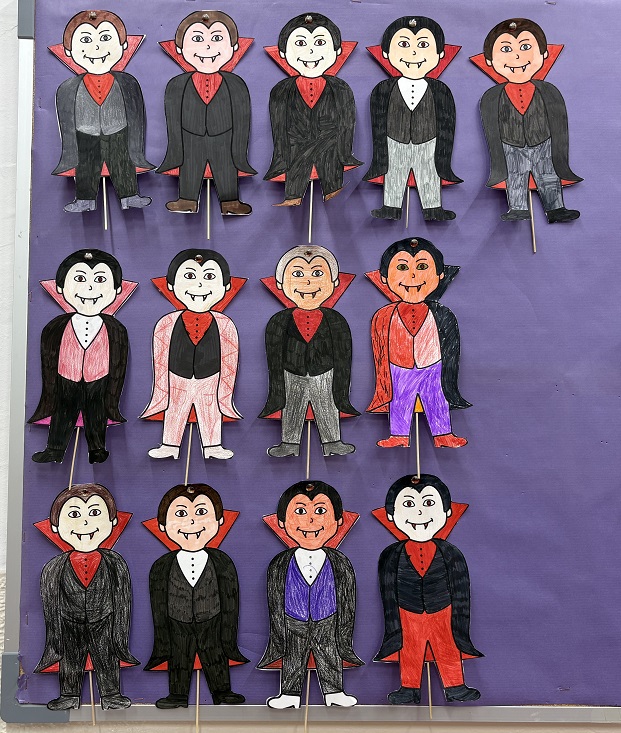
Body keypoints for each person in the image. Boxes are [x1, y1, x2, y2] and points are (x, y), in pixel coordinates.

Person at [376, 474, 483, 704]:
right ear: (391, 515)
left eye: (428, 503)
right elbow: (387, 588)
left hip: (443, 609)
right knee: (409, 648)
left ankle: (455, 685)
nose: (419, 512)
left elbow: (461, 586)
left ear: (447, 511)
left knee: (448, 646)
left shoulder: (451, 552)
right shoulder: (390, 554)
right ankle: (409, 688)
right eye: (408, 504)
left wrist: (459, 615)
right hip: (406, 610)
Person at [258, 480, 363, 708]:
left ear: (339, 520)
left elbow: (348, 598)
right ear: (282, 522)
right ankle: (289, 694)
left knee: (329, 653)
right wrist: (279, 625)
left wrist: (344, 626)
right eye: (300, 511)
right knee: (293, 655)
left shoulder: (340, 562)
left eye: (321, 511)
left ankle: (334, 692)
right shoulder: (279, 563)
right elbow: (274, 597)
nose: (311, 520)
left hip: (329, 618)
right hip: (292, 619)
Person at [35, 483, 138, 710]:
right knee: (70, 657)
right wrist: (56, 632)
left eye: (95, 512)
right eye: (74, 515)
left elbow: (123, 598)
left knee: (107, 656)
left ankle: (111, 694)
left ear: (113, 521)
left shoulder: (115, 562)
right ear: (55, 526)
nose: (84, 523)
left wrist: (119, 630)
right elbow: (50, 602)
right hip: (68, 623)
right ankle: (69, 695)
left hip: (105, 619)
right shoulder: (54, 567)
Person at [146, 483, 247, 708]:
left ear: (220, 520)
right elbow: (157, 602)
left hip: (213, 618)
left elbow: (231, 598)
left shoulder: (222, 561)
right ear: (162, 525)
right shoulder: (161, 566)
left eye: (201, 512)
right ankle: (178, 695)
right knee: (179, 656)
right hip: (176, 620)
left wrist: (228, 629)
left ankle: (222, 691)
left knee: (215, 653)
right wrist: (162, 632)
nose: (191, 522)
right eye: (181, 514)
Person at [368, 237, 470, 449]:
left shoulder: (443, 314)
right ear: (384, 277)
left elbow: (452, 346)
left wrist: (448, 372)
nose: (413, 275)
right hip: (398, 366)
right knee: (399, 399)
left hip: (433, 365)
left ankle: (443, 434)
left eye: (422, 267)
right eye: (402, 267)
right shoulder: (384, 315)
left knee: (436, 398)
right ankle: (398, 434)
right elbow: (379, 347)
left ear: (440, 275)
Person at [28, 249, 128, 464]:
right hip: (66, 376)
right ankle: (55, 449)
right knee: (63, 411)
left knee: (96, 413)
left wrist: (112, 386)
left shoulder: (116, 329)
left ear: (117, 289)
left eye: (100, 280)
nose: (90, 288)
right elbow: (48, 358)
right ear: (60, 287)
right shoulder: (55, 326)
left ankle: (97, 449)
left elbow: (120, 361)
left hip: (99, 377)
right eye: (80, 279)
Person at [141, 249, 241, 460]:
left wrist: (225, 388)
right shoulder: (166, 322)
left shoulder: (225, 324)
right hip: (176, 375)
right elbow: (159, 356)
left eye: (210, 276)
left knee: (210, 410)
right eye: (189, 276)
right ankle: (170, 444)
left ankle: (213, 446)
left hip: (211, 377)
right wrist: (162, 388)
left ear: (226, 286)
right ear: (171, 285)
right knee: (175, 409)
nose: (200, 285)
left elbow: (231, 357)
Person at [259, 245, 358, 457]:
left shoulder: (336, 320)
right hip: (291, 372)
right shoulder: (278, 320)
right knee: (291, 406)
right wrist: (278, 381)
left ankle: (332, 441)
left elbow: (344, 353)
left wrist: (341, 381)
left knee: (327, 405)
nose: (308, 282)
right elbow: (273, 354)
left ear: (335, 282)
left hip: (325, 372)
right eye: (297, 274)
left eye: (317, 273)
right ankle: (289, 443)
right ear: (280, 283)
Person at [480, 18, 581, 222]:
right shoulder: (492, 96)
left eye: (525, 47)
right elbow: (490, 126)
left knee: (548, 174)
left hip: (543, 141)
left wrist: (558, 149)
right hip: (510, 144)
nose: (517, 56)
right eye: (506, 49)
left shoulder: (549, 90)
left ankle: (555, 208)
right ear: (489, 61)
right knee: (515, 175)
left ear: (544, 54)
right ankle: (518, 208)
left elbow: (559, 122)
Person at [54, 10, 153, 213]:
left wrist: (136, 144)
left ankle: (129, 195)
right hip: (85, 131)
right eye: (86, 40)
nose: (97, 47)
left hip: (119, 129)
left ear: (123, 45)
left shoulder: (128, 82)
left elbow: (136, 114)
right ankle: (84, 199)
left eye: (106, 38)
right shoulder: (68, 88)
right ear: (69, 51)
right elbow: (65, 120)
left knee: (122, 161)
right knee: (86, 165)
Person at [158, 11, 255, 215]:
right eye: (197, 39)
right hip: (190, 137)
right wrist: (175, 147)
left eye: (217, 38)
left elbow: (242, 118)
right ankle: (187, 199)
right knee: (190, 166)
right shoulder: (176, 84)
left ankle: (230, 202)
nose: (208, 46)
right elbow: (172, 119)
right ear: (179, 48)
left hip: (225, 137)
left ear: (234, 47)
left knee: (226, 167)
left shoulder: (236, 83)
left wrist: (239, 149)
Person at [365, 16, 461, 221]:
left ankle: (433, 208)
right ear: (386, 53)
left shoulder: (441, 90)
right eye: (403, 45)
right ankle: (390, 207)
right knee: (394, 172)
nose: (414, 53)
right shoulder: (383, 89)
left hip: (429, 141)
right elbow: (377, 121)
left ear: (440, 54)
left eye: (423, 45)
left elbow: (448, 122)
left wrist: (443, 149)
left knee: (429, 173)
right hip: (394, 140)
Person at [265, 13, 362, 206]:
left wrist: (344, 152)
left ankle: (331, 187)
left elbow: (347, 123)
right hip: (295, 147)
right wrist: (280, 158)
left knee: (329, 153)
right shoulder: (281, 90)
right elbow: (279, 126)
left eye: (320, 43)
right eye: (300, 43)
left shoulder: (340, 88)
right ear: (283, 53)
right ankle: (293, 194)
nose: (310, 51)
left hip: (330, 147)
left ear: (337, 50)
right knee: (296, 155)